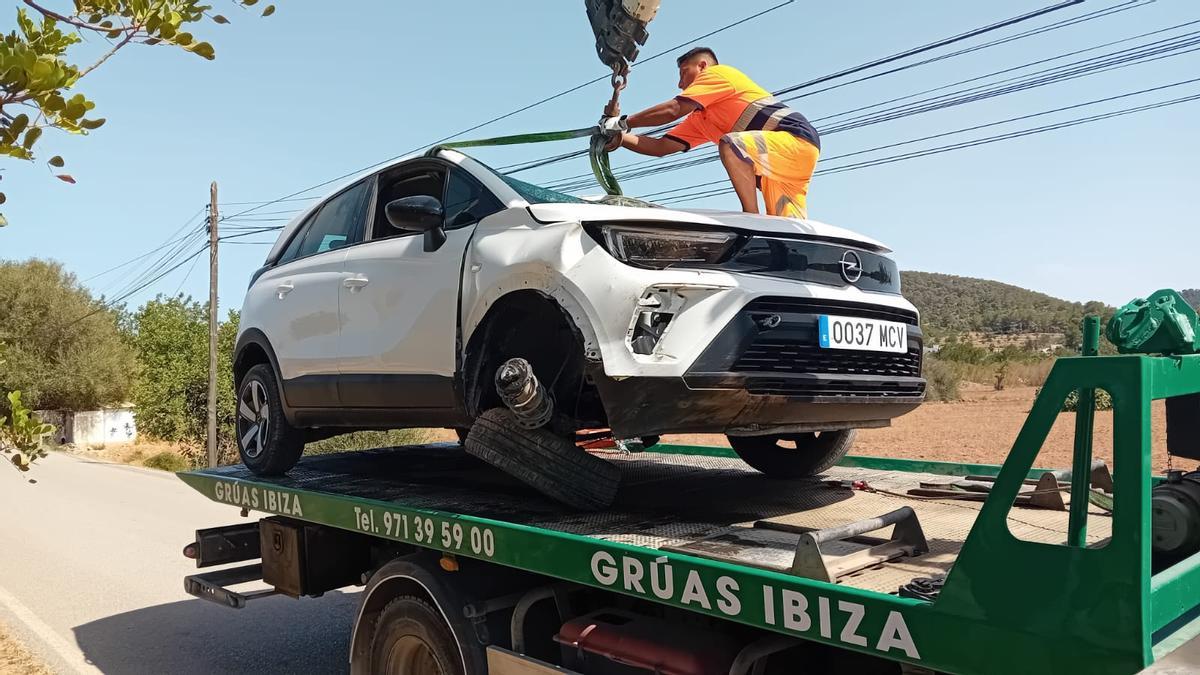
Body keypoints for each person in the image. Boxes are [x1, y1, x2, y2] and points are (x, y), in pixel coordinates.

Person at [606, 47, 821, 219]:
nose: (680, 84)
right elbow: (660, 147)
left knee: (730, 144)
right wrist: (620, 138)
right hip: (780, 166)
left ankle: (751, 218)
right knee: (785, 229)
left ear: (702, 66)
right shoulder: (700, 120)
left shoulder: (718, 74)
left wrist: (622, 123)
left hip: (795, 141)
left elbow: (673, 110)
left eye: (684, 73)